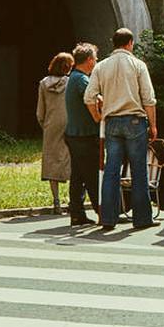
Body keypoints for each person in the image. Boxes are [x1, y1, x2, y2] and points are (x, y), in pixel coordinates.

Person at [84, 27, 158, 232]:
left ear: (114, 43)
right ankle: (142, 217)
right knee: (138, 170)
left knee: (111, 170)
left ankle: (108, 217)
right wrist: (153, 125)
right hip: (134, 120)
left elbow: (89, 97)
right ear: (130, 43)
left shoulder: (102, 67)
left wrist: (99, 117)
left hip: (112, 122)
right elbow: (148, 99)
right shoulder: (138, 65)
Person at [63, 42, 100, 226]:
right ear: (88, 60)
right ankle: (103, 211)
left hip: (73, 134)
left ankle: (77, 214)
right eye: (95, 59)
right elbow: (93, 99)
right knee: (92, 175)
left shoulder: (74, 77)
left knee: (78, 176)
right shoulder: (82, 80)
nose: (96, 62)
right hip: (84, 135)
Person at [36, 52, 73, 213]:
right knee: (71, 160)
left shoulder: (44, 83)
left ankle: (56, 201)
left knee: (51, 160)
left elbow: (40, 110)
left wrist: (45, 124)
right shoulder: (71, 83)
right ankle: (73, 201)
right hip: (69, 124)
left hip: (51, 125)